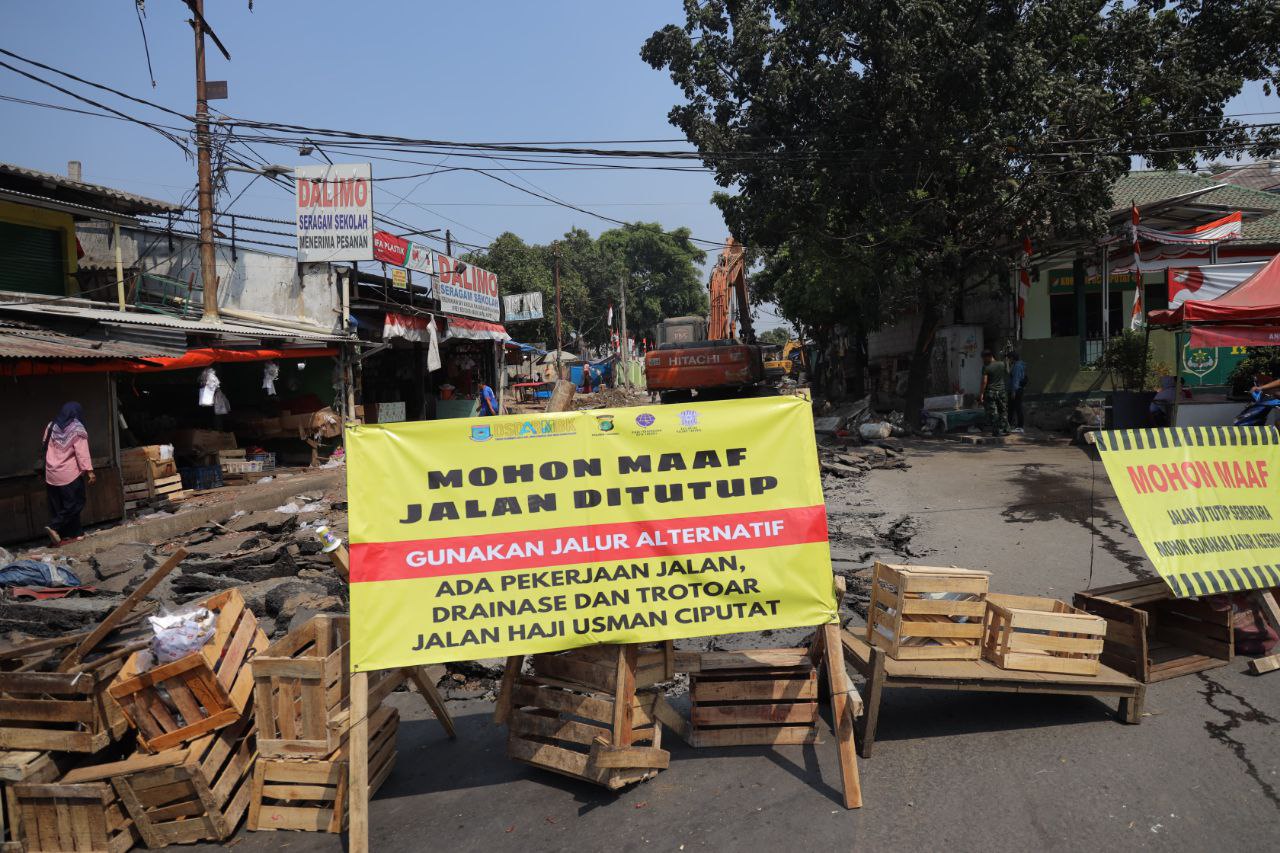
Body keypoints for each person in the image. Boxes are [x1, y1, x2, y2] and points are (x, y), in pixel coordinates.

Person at [43, 401, 94, 545]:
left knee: (59, 505)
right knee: (76, 503)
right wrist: (90, 471)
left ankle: (74, 534)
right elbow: (82, 452)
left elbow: (44, 444)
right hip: (69, 474)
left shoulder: (51, 426)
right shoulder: (77, 429)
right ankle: (54, 527)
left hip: (51, 473)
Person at [979, 349, 1010, 437]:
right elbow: (1007, 373)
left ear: (989, 356)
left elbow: (984, 382)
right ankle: (1006, 429)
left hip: (991, 392)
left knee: (993, 412)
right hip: (1002, 392)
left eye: (984, 358)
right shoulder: (1001, 364)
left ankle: (996, 431)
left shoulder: (986, 367)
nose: (983, 360)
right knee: (1003, 410)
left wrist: (981, 394)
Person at [1007, 350, 1028, 433]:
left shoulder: (1017, 366)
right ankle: (1011, 425)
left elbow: (1016, 379)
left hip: (1016, 390)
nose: (1009, 360)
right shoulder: (1019, 365)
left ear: (1012, 358)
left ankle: (1020, 426)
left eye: (1009, 358)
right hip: (1017, 389)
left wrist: (1013, 391)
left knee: (1017, 408)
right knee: (1012, 408)